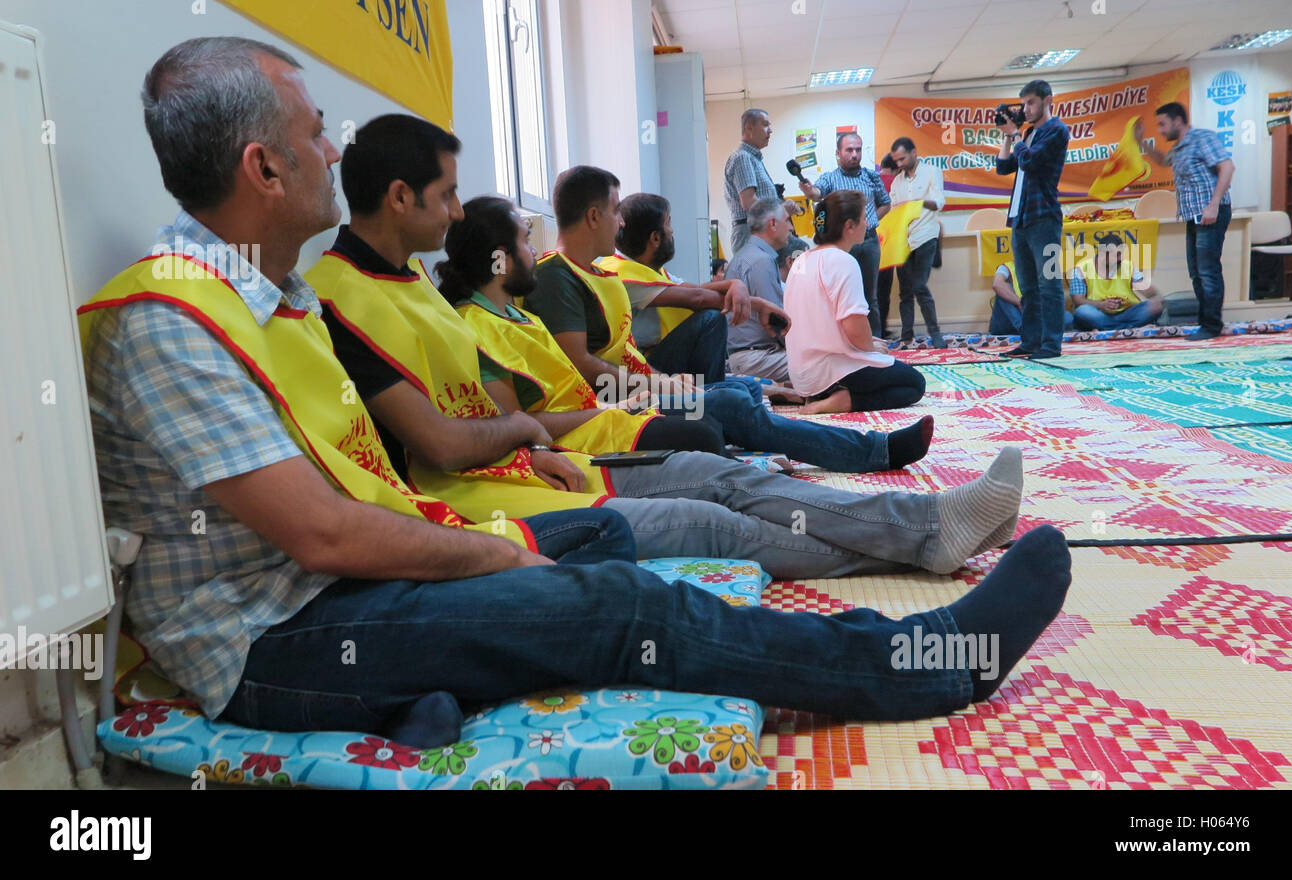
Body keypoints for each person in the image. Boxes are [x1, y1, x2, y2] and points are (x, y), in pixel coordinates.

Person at [81, 36, 1072, 741]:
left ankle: (896, 504)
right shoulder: (174, 322)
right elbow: (328, 531)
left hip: (352, 575)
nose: (331, 149)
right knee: (622, 603)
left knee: (699, 449)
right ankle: (930, 661)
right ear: (262, 165)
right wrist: (486, 551)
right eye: (312, 132)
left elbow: (381, 476)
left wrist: (513, 503)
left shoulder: (275, 295)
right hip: (279, 635)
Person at [307, 117, 1010, 581]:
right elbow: (468, 432)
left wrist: (706, 324)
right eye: (448, 193)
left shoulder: (425, 291)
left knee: (726, 456)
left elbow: (664, 305)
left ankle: (924, 526)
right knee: (717, 491)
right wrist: (562, 421)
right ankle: (918, 532)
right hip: (523, 474)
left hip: (560, 448)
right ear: (402, 198)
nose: (456, 208)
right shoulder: (348, 298)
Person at [525, 165, 916, 473]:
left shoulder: (597, 272)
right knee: (729, 404)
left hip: (635, 387)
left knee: (736, 393)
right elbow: (581, 365)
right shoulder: (557, 275)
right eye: (615, 212)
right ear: (594, 217)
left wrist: (664, 383)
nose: (621, 222)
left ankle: (848, 447)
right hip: (613, 400)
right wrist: (658, 385)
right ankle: (871, 451)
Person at [595, 192, 786, 384]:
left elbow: (696, 291)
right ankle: (711, 395)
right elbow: (698, 298)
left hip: (650, 365)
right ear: (655, 238)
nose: (672, 231)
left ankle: (716, 391)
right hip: (631, 376)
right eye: (668, 223)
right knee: (712, 318)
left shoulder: (645, 269)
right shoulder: (621, 274)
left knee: (749, 387)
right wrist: (757, 303)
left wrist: (735, 284)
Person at [783, 190, 927, 414]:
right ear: (849, 226)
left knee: (884, 364)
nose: (868, 223)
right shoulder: (842, 261)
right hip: (831, 371)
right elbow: (855, 331)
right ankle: (844, 401)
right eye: (863, 218)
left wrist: (867, 346)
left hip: (803, 377)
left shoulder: (802, 260)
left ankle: (830, 396)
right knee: (914, 384)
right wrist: (872, 349)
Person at [1143, 102, 1234, 340]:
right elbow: (1163, 161)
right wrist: (1141, 142)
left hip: (1211, 212)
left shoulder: (1202, 138)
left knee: (1208, 271)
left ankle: (1212, 326)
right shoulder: (1179, 147)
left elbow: (1227, 166)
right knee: (1196, 272)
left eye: (1163, 124)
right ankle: (1206, 323)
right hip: (1193, 216)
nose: (1161, 130)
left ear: (1178, 121)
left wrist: (1214, 204)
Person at [995, 80, 1070, 359]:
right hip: (1021, 219)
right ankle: (1030, 342)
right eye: (1023, 103)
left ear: (1048, 100)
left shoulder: (1056, 130)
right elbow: (1004, 167)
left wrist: (1015, 135)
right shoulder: (1026, 134)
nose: (1025, 109)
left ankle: (1050, 344)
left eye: (1031, 103)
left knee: (1048, 282)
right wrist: (1008, 135)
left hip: (1045, 219)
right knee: (1027, 286)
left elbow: (1029, 163)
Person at [798, 132, 893, 337]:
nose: (854, 154)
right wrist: (808, 190)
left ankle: (874, 344)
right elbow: (816, 193)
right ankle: (843, 341)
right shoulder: (830, 178)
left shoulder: (871, 176)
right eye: (849, 150)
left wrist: (866, 222)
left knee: (870, 297)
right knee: (841, 294)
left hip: (869, 242)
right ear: (838, 153)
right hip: (840, 246)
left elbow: (886, 203)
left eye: (858, 150)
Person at [724, 198, 793, 383]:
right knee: (829, 366)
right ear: (772, 224)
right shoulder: (760, 261)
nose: (791, 228)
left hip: (753, 356)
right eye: (787, 220)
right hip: (758, 359)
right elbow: (778, 324)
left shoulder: (749, 255)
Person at [889, 137, 946, 346]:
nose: (899, 164)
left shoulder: (932, 171)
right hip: (903, 240)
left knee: (919, 285)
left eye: (902, 158)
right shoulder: (897, 181)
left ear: (914, 152)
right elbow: (894, 211)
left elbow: (938, 202)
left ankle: (936, 334)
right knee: (905, 291)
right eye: (896, 161)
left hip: (926, 235)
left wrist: (916, 203)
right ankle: (906, 336)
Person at [1068, 233, 1164, 331]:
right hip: (1099, 313)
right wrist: (1101, 305)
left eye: (1121, 254)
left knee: (1155, 306)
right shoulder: (1081, 268)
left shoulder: (1127, 266)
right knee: (1083, 311)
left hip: (1127, 313)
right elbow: (1078, 300)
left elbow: (1147, 290)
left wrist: (1156, 297)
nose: (1120, 258)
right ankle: (1128, 329)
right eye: (1116, 255)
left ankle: (1109, 329)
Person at [723, 108, 778, 256]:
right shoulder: (743, 157)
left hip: (756, 232)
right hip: (749, 232)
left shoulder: (753, 159)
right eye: (765, 124)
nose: (770, 130)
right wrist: (781, 212)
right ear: (749, 128)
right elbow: (749, 202)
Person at [989, 261, 1075, 336]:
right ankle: (1025, 329)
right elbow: (997, 284)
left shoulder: (1041, 269)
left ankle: (1034, 328)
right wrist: (1019, 302)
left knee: (1067, 317)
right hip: (1008, 319)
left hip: (1031, 315)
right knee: (1003, 289)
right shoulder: (1006, 268)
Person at [876, 154, 900, 339]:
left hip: (867, 240)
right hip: (888, 243)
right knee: (883, 291)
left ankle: (871, 331)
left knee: (867, 290)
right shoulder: (897, 183)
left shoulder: (869, 180)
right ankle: (881, 330)